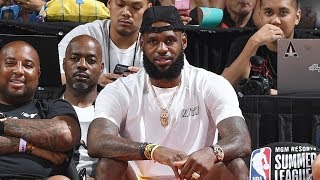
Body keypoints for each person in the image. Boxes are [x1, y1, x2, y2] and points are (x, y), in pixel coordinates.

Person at [87, 6, 251, 180]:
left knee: (236, 165)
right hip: (140, 177)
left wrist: (213, 152)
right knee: (108, 164)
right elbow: (98, 140)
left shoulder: (211, 83)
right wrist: (152, 150)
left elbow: (241, 139)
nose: (162, 48)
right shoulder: (120, 89)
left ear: (184, 41)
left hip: (194, 176)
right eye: (153, 41)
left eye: (170, 40)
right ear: (141, 44)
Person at [0, 41, 81, 179]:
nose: (19, 70)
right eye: (10, 63)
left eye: (27, 65)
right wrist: (30, 147)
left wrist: (2, 125)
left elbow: (64, 135)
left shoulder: (52, 107)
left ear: (38, 74)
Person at [222, 0, 317, 95]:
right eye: (268, 13)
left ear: (297, 17)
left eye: (283, 13)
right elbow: (221, 88)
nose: (275, 20)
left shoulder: (312, 46)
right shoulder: (245, 43)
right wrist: (253, 44)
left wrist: (280, 95)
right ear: (260, 16)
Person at [58, 0, 153, 86]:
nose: (126, 13)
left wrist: (148, 81)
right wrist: (93, 81)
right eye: (120, 4)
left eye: (136, 7)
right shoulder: (84, 35)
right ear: (109, 3)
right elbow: (53, 77)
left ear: (148, 9)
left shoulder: (155, 42)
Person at [58, 35, 104, 179]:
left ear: (101, 68)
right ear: (64, 64)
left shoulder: (113, 106)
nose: (82, 65)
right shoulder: (45, 104)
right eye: (75, 58)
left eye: (91, 61)